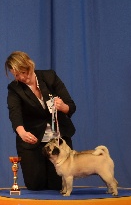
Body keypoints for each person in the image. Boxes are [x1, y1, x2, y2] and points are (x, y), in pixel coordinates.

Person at [5, 51, 77, 191]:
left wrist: (63, 107)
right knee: (35, 185)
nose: (21, 77)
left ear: (30, 65)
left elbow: (71, 106)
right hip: (33, 141)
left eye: (23, 72)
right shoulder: (14, 89)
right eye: (16, 75)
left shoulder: (50, 77)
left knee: (57, 185)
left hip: (58, 141)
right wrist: (22, 132)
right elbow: (14, 112)